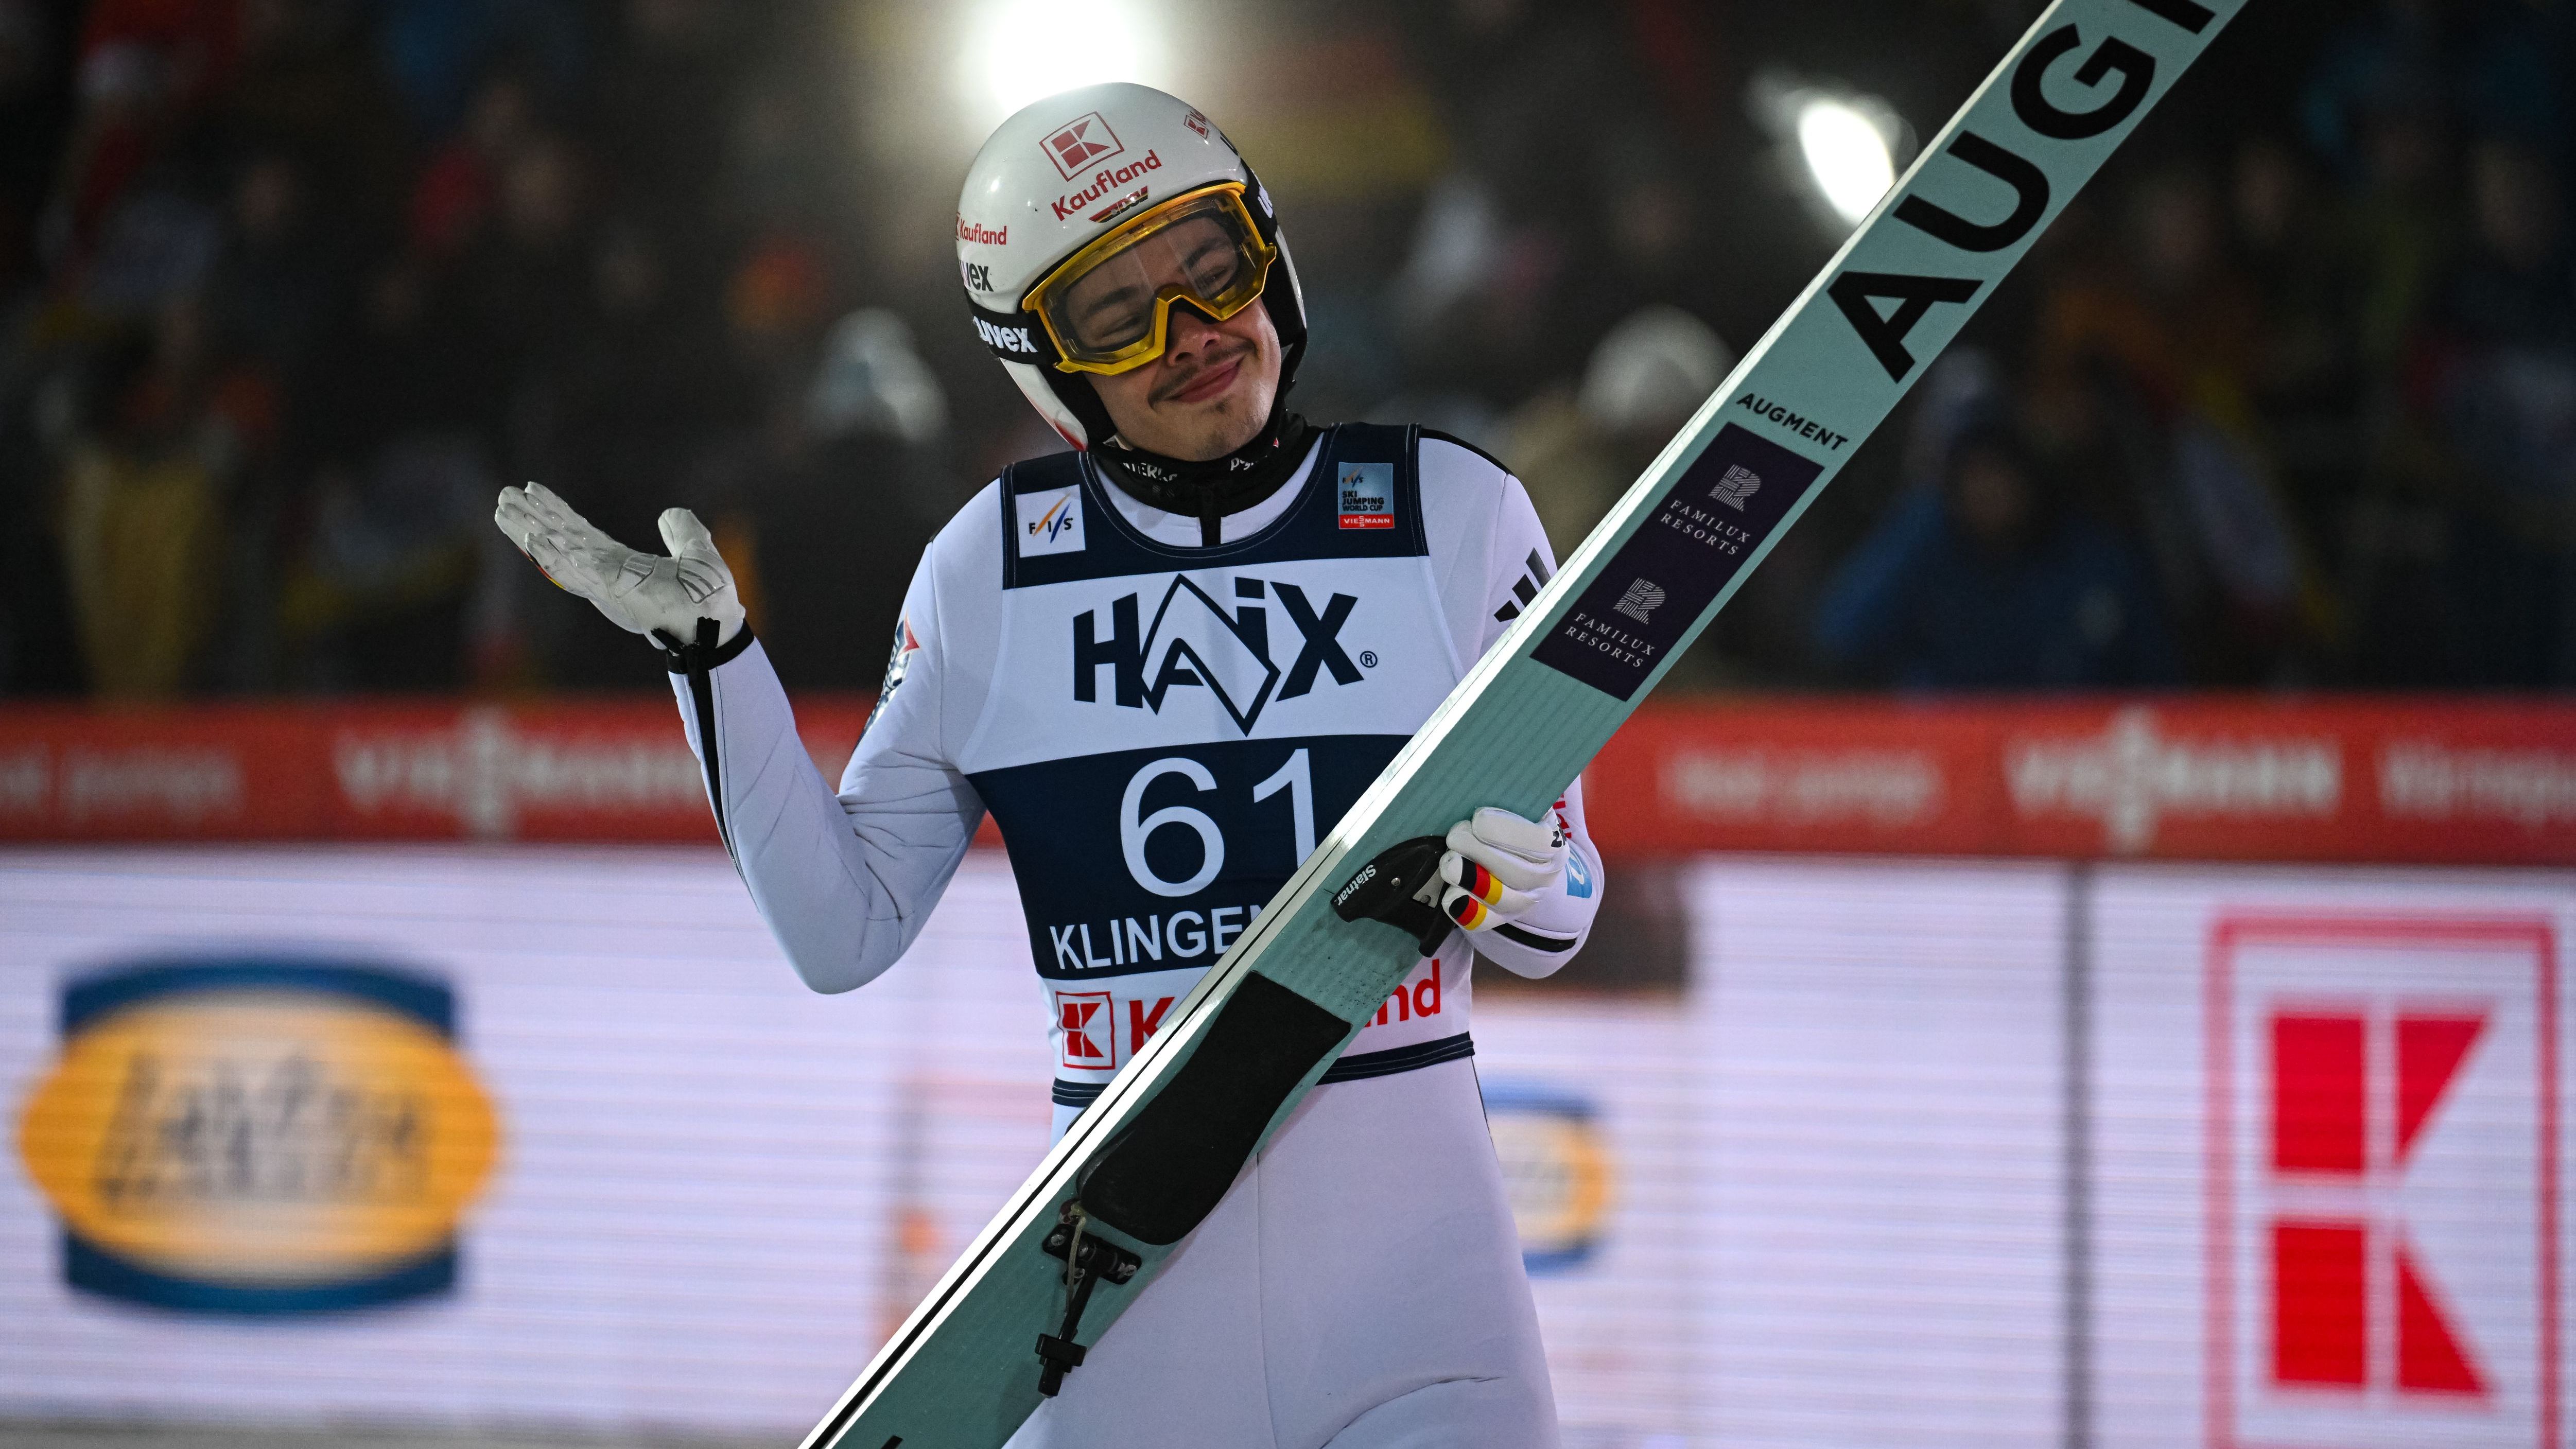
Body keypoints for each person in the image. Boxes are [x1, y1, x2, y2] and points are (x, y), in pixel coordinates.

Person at [494, 83, 1599, 1448]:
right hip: (1131, 1286)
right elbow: (843, 934)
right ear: (1045, 367)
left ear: (1272, 260)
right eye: (1115, 316)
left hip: (1422, 1297)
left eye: (1212, 269)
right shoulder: (988, 570)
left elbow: (1562, 915)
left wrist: (1509, 883)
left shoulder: (1457, 513)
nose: (1190, 334)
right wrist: (713, 662)